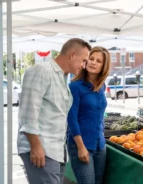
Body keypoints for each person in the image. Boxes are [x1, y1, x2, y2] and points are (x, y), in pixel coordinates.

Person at [17, 38, 92, 184]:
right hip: (42, 149)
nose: (84, 66)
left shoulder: (62, 77)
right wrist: (36, 146)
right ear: (72, 54)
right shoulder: (41, 71)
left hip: (56, 151)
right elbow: (28, 113)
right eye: (83, 60)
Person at [67, 46, 111, 184]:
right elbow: (71, 119)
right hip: (81, 145)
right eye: (91, 58)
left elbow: (99, 114)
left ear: (104, 66)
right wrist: (80, 147)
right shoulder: (75, 86)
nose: (93, 62)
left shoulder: (101, 86)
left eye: (98, 61)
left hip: (100, 145)